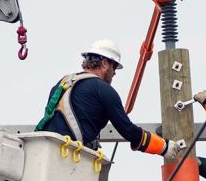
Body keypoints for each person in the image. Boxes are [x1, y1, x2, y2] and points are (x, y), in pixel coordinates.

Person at [36, 39, 184, 159]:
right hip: (69, 158)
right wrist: (163, 147)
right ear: (105, 63)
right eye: (114, 67)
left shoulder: (63, 84)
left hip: (45, 153)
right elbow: (128, 131)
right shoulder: (104, 90)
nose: (114, 73)